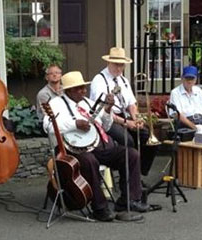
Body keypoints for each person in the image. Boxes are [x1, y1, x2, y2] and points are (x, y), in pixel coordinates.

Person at [43, 71, 149, 222]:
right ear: (69, 90)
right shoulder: (56, 104)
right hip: (72, 149)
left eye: (84, 88)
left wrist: (107, 110)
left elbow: (105, 126)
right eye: (80, 88)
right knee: (89, 161)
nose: (84, 91)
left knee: (131, 154)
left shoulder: (87, 103)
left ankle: (129, 201)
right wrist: (74, 124)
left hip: (98, 145)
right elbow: (48, 126)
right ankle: (99, 208)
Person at [90, 47, 158, 176]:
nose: (119, 68)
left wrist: (136, 118)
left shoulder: (123, 80)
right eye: (116, 65)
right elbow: (103, 112)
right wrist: (126, 122)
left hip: (124, 116)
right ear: (108, 63)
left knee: (148, 137)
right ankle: (129, 176)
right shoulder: (99, 81)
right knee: (129, 141)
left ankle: (139, 173)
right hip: (108, 119)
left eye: (122, 65)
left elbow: (131, 104)